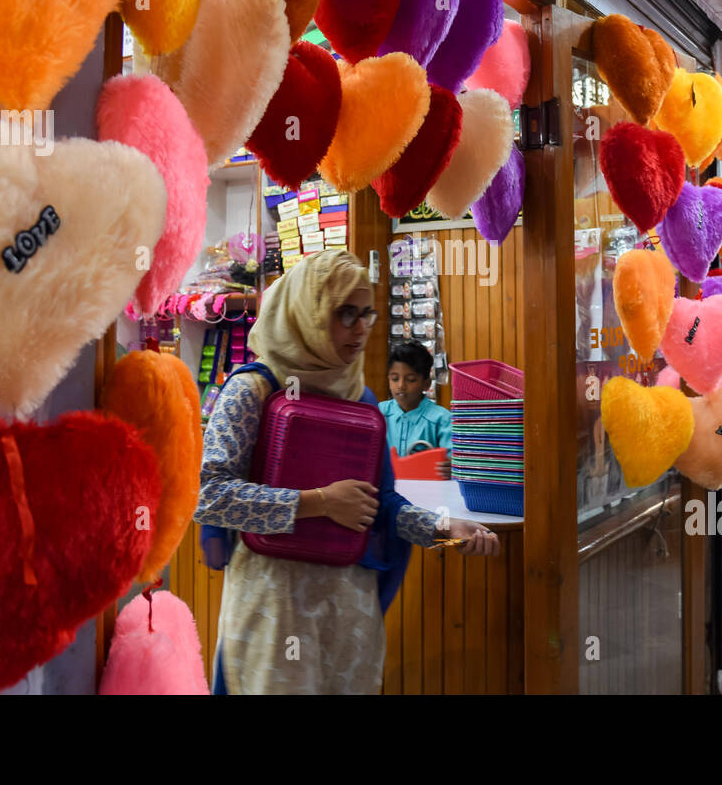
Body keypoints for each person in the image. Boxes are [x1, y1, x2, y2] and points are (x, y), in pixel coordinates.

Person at [193, 251, 499, 694]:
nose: (360, 329)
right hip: (273, 610)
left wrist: (444, 528)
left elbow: (381, 506)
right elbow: (212, 496)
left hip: (346, 612)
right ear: (309, 312)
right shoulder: (253, 389)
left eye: (366, 314)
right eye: (345, 314)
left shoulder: (360, 400)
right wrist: (316, 503)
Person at [379, 340, 452, 478]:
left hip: (427, 494)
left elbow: (454, 463)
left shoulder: (442, 419)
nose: (401, 385)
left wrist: (452, 467)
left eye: (411, 379)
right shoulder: (379, 414)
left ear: (426, 384)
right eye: (394, 379)